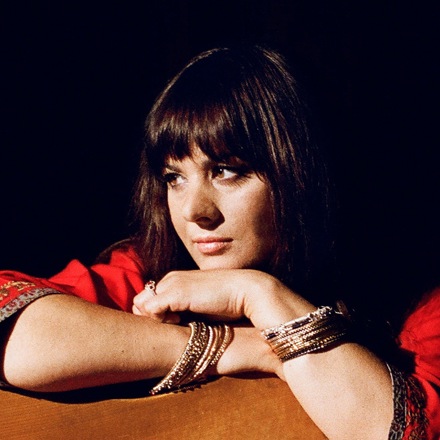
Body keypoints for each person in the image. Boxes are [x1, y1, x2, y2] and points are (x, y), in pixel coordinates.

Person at [0, 46, 438, 440]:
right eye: (174, 177)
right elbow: (17, 335)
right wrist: (245, 346)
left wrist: (255, 293)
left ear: (302, 175)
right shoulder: (149, 272)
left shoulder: (418, 308)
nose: (194, 211)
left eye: (227, 171)